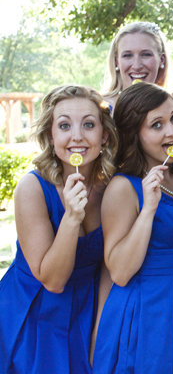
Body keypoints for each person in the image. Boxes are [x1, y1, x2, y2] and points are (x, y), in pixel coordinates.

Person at [0, 85, 117, 373]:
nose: (77, 136)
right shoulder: (32, 188)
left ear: (104, 136)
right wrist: (71, 218)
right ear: (51, 137)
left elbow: (108, 267)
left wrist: (98, 329)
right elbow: (52, 281)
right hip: (35, 310)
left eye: (89, 124)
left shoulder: (113, 188)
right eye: (64, 125)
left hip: (88, 308)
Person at [93, 83, 173, 374]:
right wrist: (149, 210)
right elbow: (119, 271)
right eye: (157, 125)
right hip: (148, 315)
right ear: (134, 135)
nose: (171, 131)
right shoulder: (123, 187)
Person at [103, 22, 168, 109]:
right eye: (127, 55)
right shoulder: (100, 108)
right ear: (116, 61)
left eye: (146, 55)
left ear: (162, 60)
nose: (137, 66)